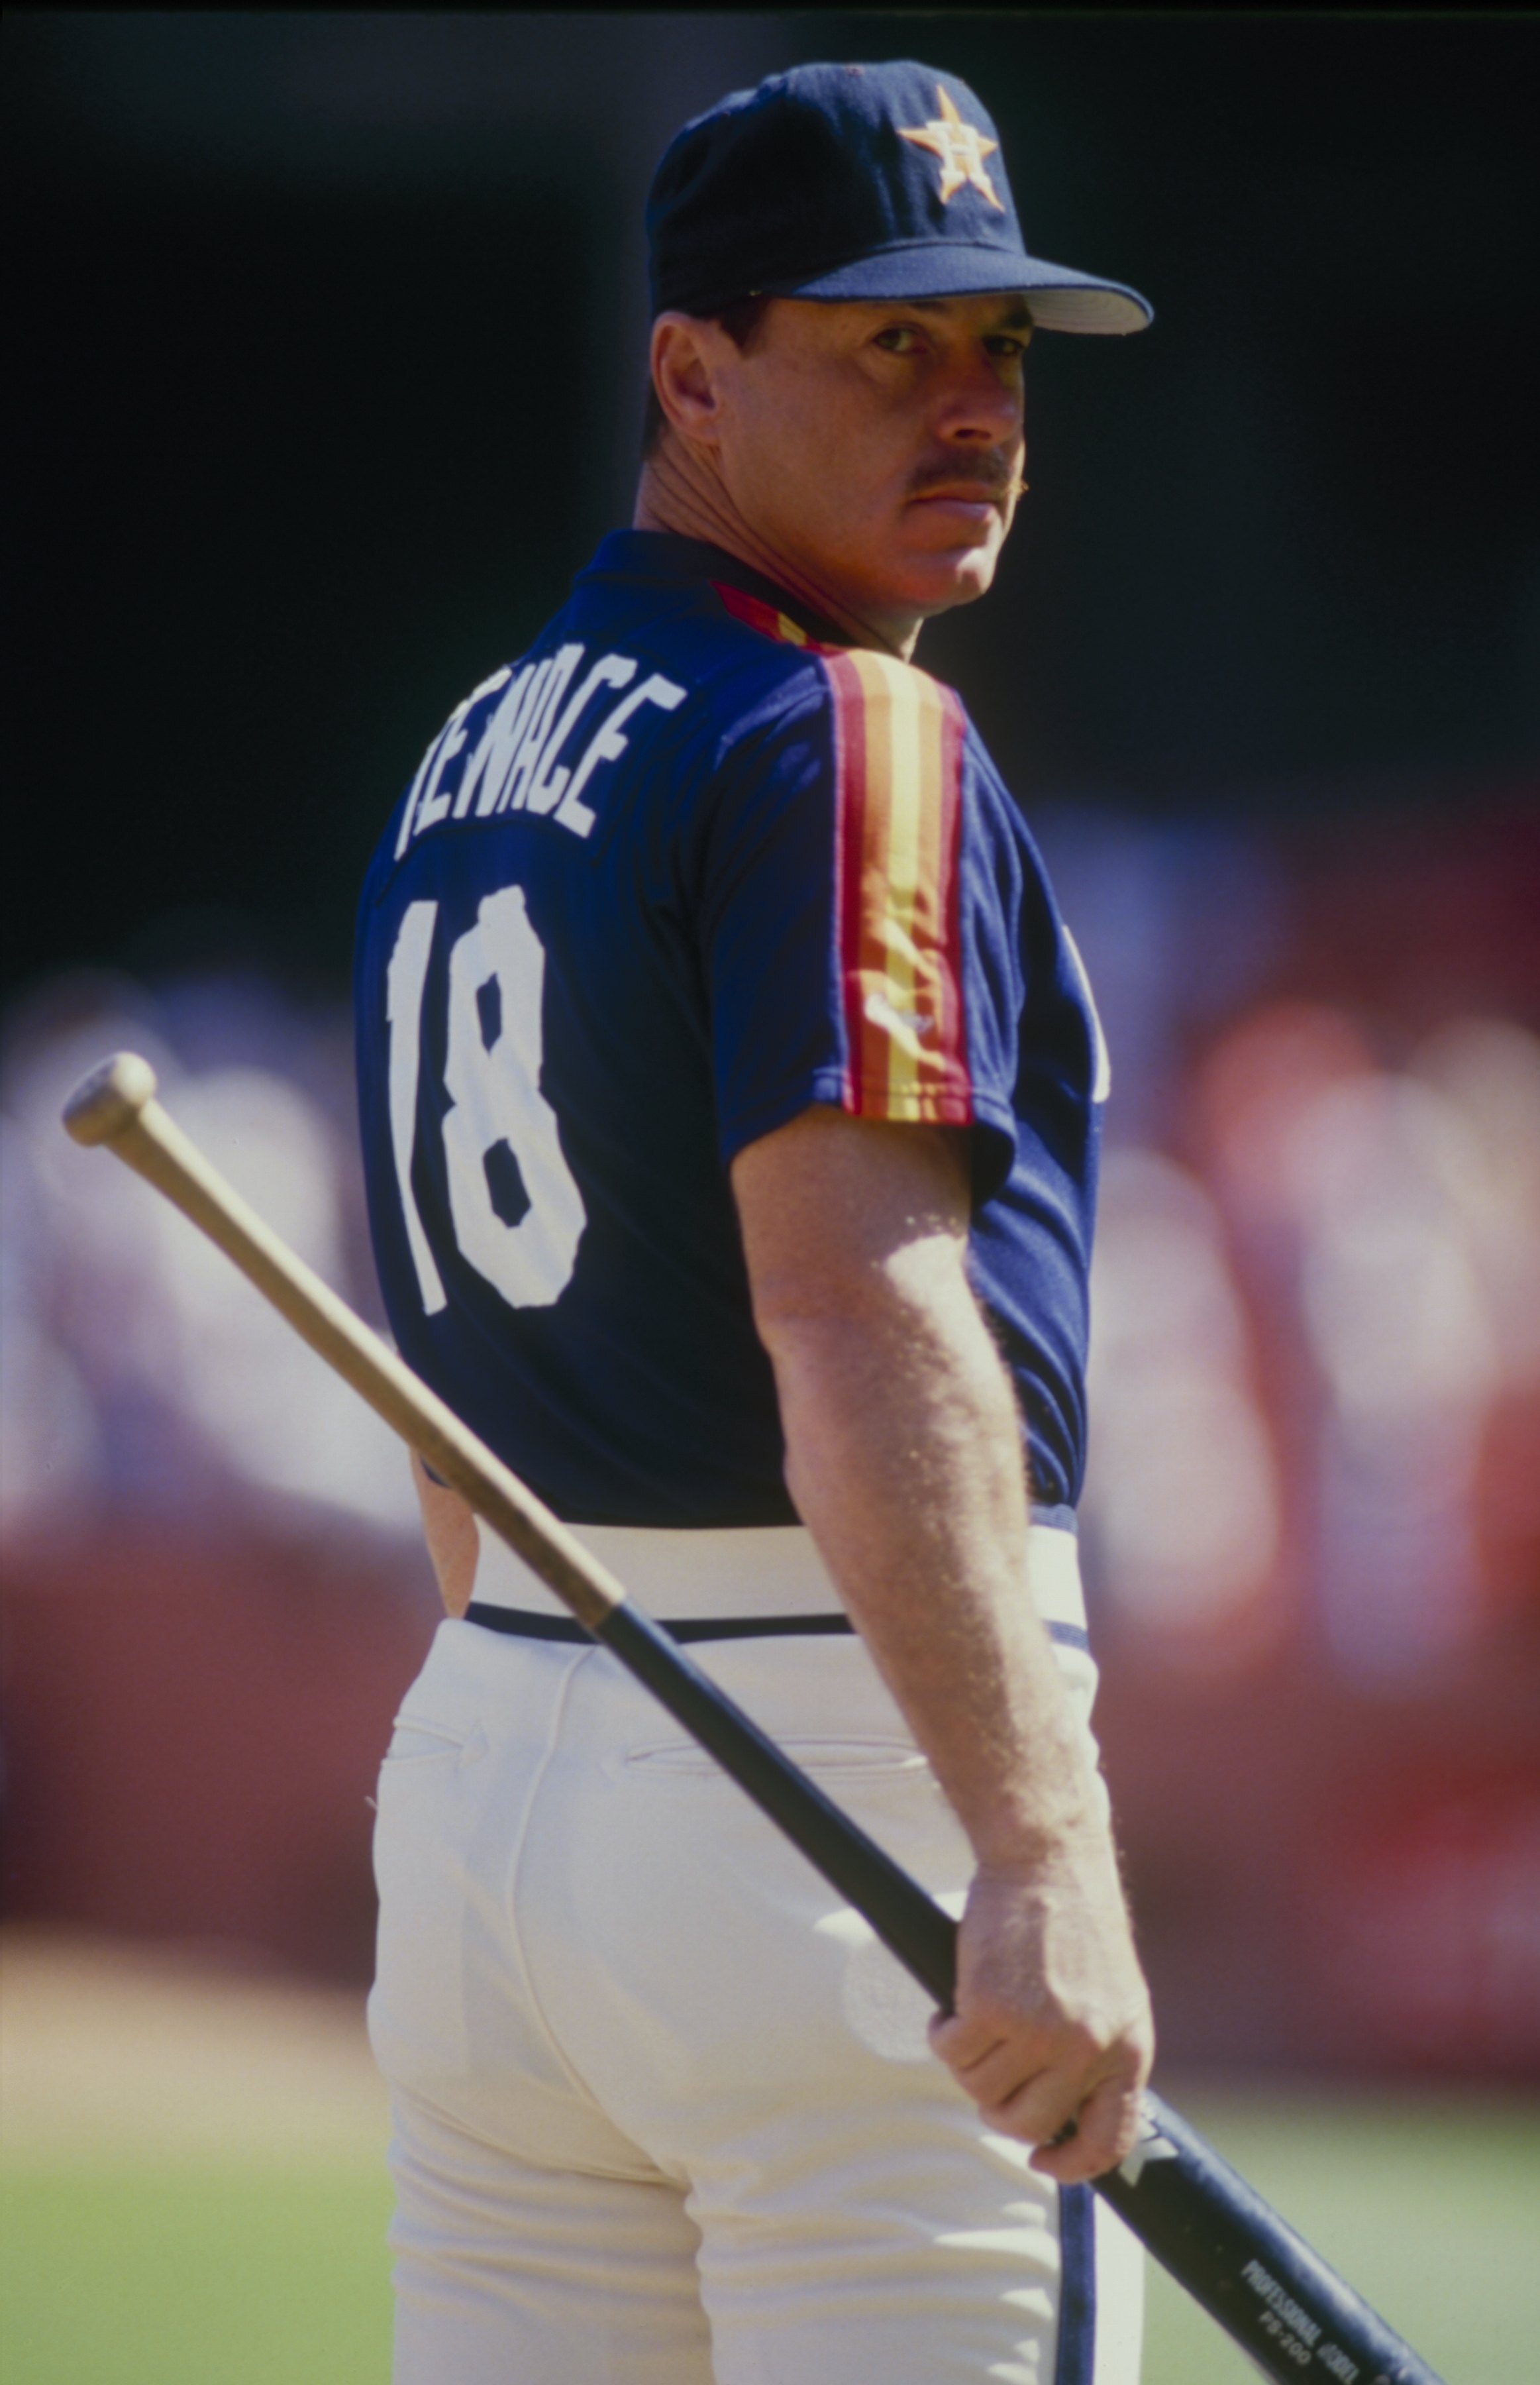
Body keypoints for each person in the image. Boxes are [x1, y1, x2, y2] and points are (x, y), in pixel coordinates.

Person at [354, 58, 1155, 2385]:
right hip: (831, 1786)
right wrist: (1031, 1841)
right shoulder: (845, 730)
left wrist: (549, 1729)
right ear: (690, 372)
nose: (975, 401)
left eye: (999, 344)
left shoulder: (472, 739)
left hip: (498, 1756)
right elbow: (863, 1309)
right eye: (888, 341)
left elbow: (439, 1377)